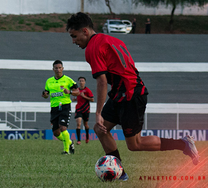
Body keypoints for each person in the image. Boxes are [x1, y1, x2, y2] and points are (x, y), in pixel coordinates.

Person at [66, 12, 199, 181]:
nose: (73, 41)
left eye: (74, 36)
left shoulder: (92, 48)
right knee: (100, 129)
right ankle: (119, 173)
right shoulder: (112, 40)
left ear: (85, 31)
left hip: (130, 95)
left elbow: (102, 82)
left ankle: (183, 144)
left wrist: (98, 112)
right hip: (122, 93)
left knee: (135, 144)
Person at [42, 60, 79, 155]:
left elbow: (78, 92)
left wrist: (70, 92)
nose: (58, 70)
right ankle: (69, 142)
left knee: (63, 127)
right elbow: (46, 94)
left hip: (65, 106)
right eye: (56, 68)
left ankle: (66, 151)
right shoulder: (49, 81)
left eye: (59, 68)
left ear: (62, 68)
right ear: (53, 69)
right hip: (54, 107)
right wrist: (45, 95)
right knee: (56, 133)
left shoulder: (68, 80)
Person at [72, 76, 94, 145]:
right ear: (78, 82)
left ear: (85, 82)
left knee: (86, 124)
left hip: (86, 109)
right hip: (78, 109)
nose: (81, 82)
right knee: (78, 123)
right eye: (80, 81)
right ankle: (78, 140)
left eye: (82, 81)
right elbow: (76, 96)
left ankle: (87, 137)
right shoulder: (77, 90)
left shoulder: (87, 90)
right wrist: (75, 99)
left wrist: (84, 96)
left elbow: (92, 99)